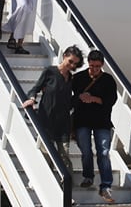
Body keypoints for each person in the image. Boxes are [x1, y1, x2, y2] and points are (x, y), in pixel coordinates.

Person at [21, 45, 84, 175]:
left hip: (63, 122)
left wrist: (80, 98)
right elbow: (35, 88)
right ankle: (47, 183)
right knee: (47, 155)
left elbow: (69, 102)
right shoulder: (50, 72)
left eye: (75, 64)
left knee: (64, 156)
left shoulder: (71, 79)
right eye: (70, 61)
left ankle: (67, 186)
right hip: (47, 120)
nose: (71, 66)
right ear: (64, 56)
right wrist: (32, 99)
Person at [72, 50, 118, 203]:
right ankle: (88, 176)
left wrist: (93, 99)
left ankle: (105, 186)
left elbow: (110, 100)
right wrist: (80, 97)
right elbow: (71, 98)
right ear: (88, 64)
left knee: (103, 152)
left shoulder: (108, 80)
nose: (94, 69)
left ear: (102, 65)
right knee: (85, 151)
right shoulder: (78, 78)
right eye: (92, 66)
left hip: (102, 121)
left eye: (97, 66)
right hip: (82, 120)